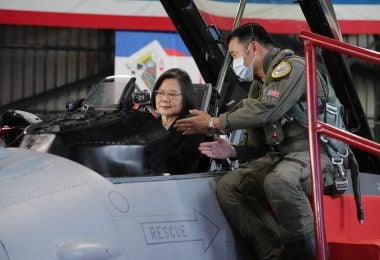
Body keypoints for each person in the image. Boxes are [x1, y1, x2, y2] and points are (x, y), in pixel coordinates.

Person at [174, 23, 356, 259]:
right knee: (229, 187)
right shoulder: (259, 87)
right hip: (285, 157)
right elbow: (258, 145)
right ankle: (273, 255)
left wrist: (213, 123)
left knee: (278, 181)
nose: (233, 62)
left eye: (234, 55)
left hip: (320, 154)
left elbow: (268, 110)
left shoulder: (294, 68)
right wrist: (233, 152)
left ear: (253, 47)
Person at [151, 68, 205, 174]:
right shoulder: (150, 125)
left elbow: (177, 167)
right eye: (160, 93)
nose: (164, 99)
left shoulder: (194, 128)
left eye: (172, 94)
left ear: (186, 97)